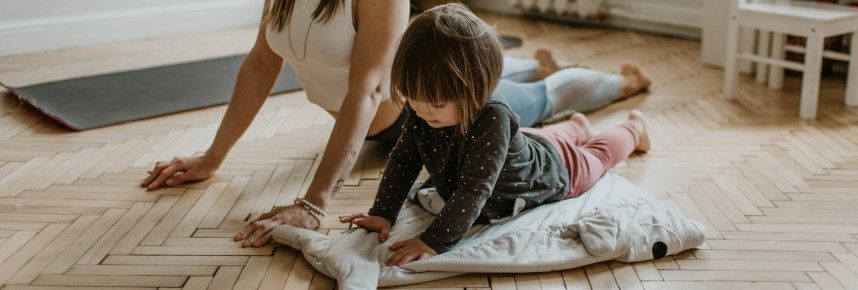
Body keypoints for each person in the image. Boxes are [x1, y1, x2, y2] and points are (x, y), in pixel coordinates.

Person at [138, 0, 651, 248]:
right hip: (433, 102)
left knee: (539, 99)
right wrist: (212, 159)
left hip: (436, 111)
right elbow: (259, 63)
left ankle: (619, 88)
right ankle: (545, 81)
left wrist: (313, 204)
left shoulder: (472, 108)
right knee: (535, 117)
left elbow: (368, 90)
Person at [338, 3, 650, 266]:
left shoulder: (493, 116)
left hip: (553, 170)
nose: (420, 111)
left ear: (474, 91)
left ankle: (634, 128)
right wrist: (382, 213)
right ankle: (577, 126)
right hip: (523, 144)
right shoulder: (424, 110)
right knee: (540, 139)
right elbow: (404, 159)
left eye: (434, 104)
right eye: (412, 100)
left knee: (597, 155)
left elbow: (475, 189)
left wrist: (433, 241)